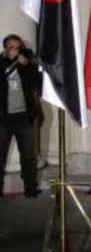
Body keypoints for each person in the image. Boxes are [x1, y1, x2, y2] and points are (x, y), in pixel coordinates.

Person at [0, 34, 42, 198]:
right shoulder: (2, 63)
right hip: (3, 119)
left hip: (23, 118)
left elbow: (37, 83)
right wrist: (13, 63)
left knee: (28, 156)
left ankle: (30, 188)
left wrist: (27, 66)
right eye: (12, 48)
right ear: (5, 49)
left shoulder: (27, 65)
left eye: (19, 48)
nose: (16, 51)